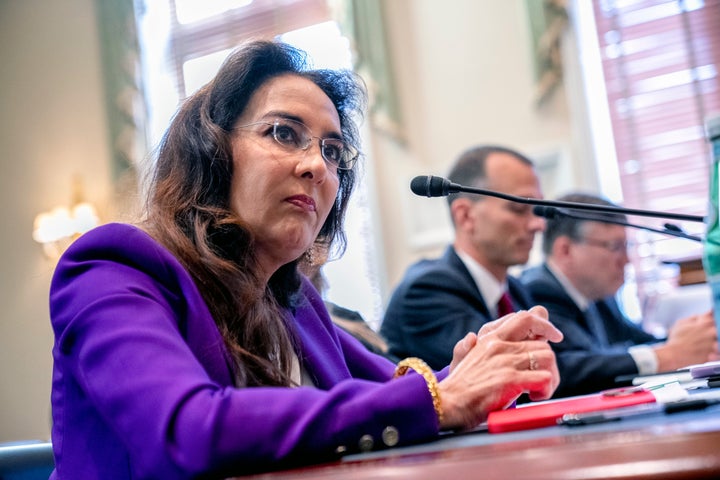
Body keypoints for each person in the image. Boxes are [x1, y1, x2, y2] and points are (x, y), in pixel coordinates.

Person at [48, 41, 562, 479]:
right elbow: (189, 430)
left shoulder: (291, 298)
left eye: (333, 151)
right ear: (212, 149)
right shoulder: (114, 266)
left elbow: (399, 391)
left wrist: (482, 367)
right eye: (283, 133)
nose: (318, 165)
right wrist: (442, 397)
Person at [521, 192, 718, 398]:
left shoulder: (598, 294)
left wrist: (695, 339)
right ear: (565, 250)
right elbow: (578, 366)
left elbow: (636, 342)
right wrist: (668, 354)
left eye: (626, 246)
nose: (627, 260)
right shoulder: (537, 293)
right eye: (615, 247)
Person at [381, 145, 547, 370]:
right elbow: (508, 369)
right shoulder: (427, 290)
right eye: (519, 208)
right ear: (466, 215)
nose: (539, 224)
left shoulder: (515, 290)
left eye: (538, 211)